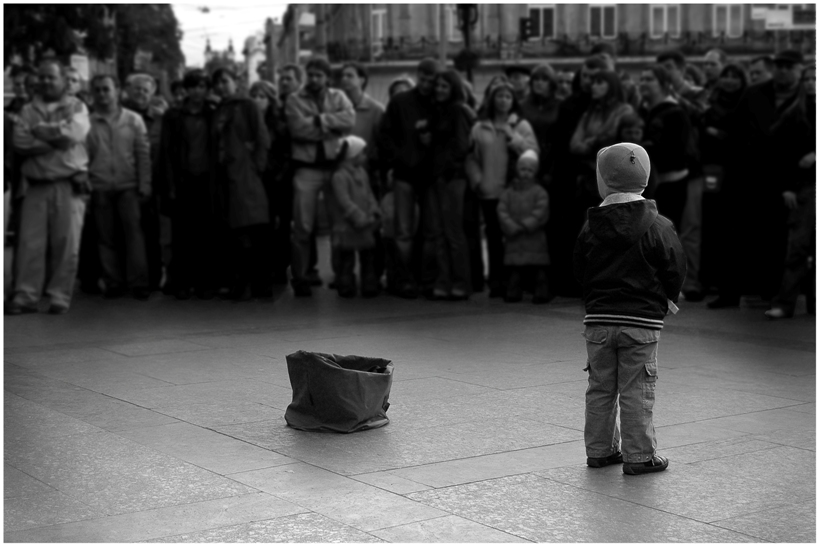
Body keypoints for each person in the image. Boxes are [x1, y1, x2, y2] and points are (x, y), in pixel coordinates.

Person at [574, 142, 686, 475]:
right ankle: (639, 456)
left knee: (600, 386)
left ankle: (600, 450)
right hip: (642, 320)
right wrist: (668, 297)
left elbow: (580, 269)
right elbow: (674, 266)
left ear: (602, 182)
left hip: (599, 320)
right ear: (646, 179)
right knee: (637, 387)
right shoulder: (659, 225)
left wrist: (593, 299)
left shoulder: (590, 225)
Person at [708, 50, 804, 309]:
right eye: (780, 66)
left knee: (774, 238)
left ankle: (770, 292)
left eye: (789, 66)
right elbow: (734, 126)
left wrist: (792, 182)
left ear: (799, 70)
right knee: (735, 236)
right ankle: (729, 293)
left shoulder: (806, 98)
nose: (783, 71)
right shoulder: (755, 93)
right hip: (746, 175)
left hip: (781, 178)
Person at [7, 59, 91, 315]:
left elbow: (73, 135)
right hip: (36, 186)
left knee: (66, 244)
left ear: (63, 81)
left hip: (68, 185)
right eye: (41, 77)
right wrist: (56, 138)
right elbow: (20, 141)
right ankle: (26, 296)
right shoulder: (28, 109)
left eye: (50, 77)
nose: (45, 81)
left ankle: (59, 297)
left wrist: (40, 132)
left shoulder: (76, 105)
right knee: (30, 245)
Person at [285, 56, 355, 297]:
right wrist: (330, 127)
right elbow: (297, 129)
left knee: (339, 224)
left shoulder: (338, 97)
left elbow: (349, 121)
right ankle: (301, 276)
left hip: (335, 167)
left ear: (327, 77)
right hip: (306, 168)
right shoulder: (294, 99)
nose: (314, 79)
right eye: (311, 74)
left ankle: (343, 276)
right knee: (302, 226)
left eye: (319, 75)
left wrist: (318, 121)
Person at [466, 81, 538, 298]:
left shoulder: (521, 126)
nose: (503, 100)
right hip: (489, 190)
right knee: (493, 236)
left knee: (513, 237)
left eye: (508, 96)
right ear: (492, 99)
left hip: (514, 191)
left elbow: (533, 152)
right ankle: (496, 280)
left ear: (513, 100)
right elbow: (471, 157)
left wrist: (513, 137)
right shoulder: (480, 127)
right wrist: (477, 180)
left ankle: (515, 281)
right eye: (500, 96)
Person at [86, 74, 152, 300]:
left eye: (106, 89)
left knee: (134, 235)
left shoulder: (133, 120)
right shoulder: (87, 123)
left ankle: (139, 283)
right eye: (98, 90)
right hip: (100, 186)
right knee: (105, 237)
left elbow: (143, 155)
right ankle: (112, 282)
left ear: (117, 91)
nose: (102, 94)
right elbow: (83, 157)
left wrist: (145, 184)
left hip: (129, 186)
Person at [157, 69, 220, 300]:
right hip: (182, 180)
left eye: (202, 86)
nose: (197, 91)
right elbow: (165, 152)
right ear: (186, 89)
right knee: (182, 235)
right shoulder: (173, 115)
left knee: (206, 234)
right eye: (193, 86)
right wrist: (170, 185)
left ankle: (205, 283)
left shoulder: (213, 113)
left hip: (206, 180)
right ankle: (181, 282)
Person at [379, 58, 440, 299]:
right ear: (417, 76)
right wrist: (398, 159)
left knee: (430, 230)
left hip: (430, 175)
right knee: (403, 231)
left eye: (430, 81)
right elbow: (384, 135)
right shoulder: (400, 102)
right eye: (423, 80)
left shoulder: (439, 102)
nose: (426, 85)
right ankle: (404, 280)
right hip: (405, 174)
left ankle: (426, 280)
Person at [211, 67, 271, 301]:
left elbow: (262, 138)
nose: (220, 86)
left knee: (255, 229)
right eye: (217, 82)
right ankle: (242, 281)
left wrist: (256, 168)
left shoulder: (247, 105)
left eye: (225, 81)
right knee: (236, 231)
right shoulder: (219, 109)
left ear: (236, 82)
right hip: (225, 175)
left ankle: (261, 284)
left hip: (246, 174)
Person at [765, 65, 815, 320]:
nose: (810, 83)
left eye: (815, 78)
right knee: (797, 247)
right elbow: (779, 153)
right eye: (807, 78)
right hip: (803, 187)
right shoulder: (795, 113)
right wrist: (787, 186)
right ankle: (785, 303)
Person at [426, 69, 475, 300]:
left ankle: (460, 281)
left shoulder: (457, 110)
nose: (439, 89)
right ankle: (443, 280)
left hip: (452, 178)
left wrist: (445, 168)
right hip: (438, 177)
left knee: (453, 233)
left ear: (453, 88)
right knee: (439, 232)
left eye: (444, 86)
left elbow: (461, 145)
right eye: (437, 85)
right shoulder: (438, 111)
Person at [123, 73, 168, 293]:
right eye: (136, 89)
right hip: (126, 180)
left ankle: (154, 276)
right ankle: (131, 277)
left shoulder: (160, 118)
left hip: (156, 182)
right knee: (128, 232)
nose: (140, 93)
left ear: (152, 94)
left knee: (153, 232)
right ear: (128, 91)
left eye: (145, 90)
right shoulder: (121, 116)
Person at [638, 65, 695, 230]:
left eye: (649, 79)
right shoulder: (646, 112)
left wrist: (648, 148)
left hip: (670, 185)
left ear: (664, 84)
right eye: (641, 79)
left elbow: (678, 153)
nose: (643, 83)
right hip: (651, 187)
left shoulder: (675, 113)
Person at [570, 70, 634, 209]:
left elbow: (611, 139)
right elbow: (574, 145)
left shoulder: (624, 110)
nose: (593, 86)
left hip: (613, 181)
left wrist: (591, 142)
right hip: (588, 178)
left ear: (612, 86)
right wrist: (590, 145)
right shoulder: (590, 114)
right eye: (593, 83)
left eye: (599, 83)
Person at [328, 135, 382, 298]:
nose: (365, 157)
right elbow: (344, 201)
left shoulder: (362, 173)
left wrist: (373, 210)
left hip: (364, 223)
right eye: (362, 153)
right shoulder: (340, 176)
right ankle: (345, 283)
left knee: (367, 256)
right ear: (353, 155)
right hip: (348, 225)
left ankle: (369, 283)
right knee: (346, 258)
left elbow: (369, 194)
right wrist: (359, 217)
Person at [497, 150, 551, 304]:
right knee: (515, 272)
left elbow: (541, 211)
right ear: (517, 170)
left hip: (534, 237)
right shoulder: (509, 192)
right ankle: (513, 293)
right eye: (523, 169)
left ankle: (541, 293)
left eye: (530, 170)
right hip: (516, 238)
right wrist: (511, 226)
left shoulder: (539, 192)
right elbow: (502, 210)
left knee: (539, 271)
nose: (526, 173)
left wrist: (525, 225)